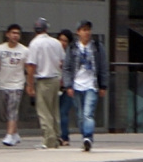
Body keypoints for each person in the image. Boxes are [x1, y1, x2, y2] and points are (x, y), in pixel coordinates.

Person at [63, 20, 108, 152]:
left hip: (91, 85)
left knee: (88, 113)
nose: (87, 32)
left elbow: (103, 67)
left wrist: (103, 85)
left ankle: (88, 137)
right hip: (76, 85)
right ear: (78, 32)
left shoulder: (97, 47)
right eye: (83, 30)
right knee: (80, 115)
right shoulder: (72, 48)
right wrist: (68, 85)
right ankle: (84, 137)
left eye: (88, 29)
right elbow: (66, 68)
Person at [25, 18, 65, 149]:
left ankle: (48, 139)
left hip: (43, 80)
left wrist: (30, 85)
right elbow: (62, 62)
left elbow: (31, 67)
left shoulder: (34, 44)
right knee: (54, 110)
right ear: (46, 29)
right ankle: (57, 136)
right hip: (55, 79)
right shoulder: (56, 43)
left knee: (43, 111)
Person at [0, 23, 29, 146]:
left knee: (13, 109)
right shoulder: (0, 49)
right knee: (5, 110)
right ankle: (15, 133)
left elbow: (28, 68)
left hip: (17, 84)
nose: (15, 35)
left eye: (17, 33)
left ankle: (9, 134)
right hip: (3, 83)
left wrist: (29, 83)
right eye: (13, 33)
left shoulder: (24, 50)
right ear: (7, 34)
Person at [56, 29, 75, 146]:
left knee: (63, 112)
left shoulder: (72, 54)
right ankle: (57, 135)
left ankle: (64, 136)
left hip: (68, 87)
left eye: (65, 41)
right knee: (55, 112)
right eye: (61, 40)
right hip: (55, 86)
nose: (62, 43)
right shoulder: (54, 52)